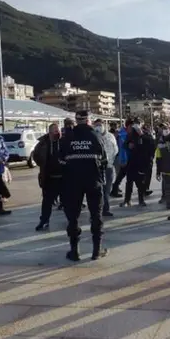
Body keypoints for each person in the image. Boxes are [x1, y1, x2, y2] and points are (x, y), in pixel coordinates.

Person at [59, 110, 109, 261]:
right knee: (96, 215)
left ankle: (74, 251)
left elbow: (60, 161)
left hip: (72, 182)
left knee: (73, 217)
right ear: (88, 121)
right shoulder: (96, 136)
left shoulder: (67, 137)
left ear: (76, 120)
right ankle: (96, 251)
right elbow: (104, 160)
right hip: (93, 181)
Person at [33, 123, 63, 231]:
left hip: (63, 177)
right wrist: (43, 164)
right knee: (47, 201)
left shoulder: (64, 141)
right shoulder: (43, 143)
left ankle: (73, 221)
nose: (57, 132)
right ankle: (44, 221)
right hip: (49, 177)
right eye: (55, 130)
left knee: (69, 201)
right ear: (50, 132)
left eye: (58, 130)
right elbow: (35, 155)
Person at [121, 118, 152, 207]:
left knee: (140, 182)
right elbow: (124, 145)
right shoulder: (130, 134)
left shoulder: (145, 134)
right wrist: (128, 145)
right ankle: (127, 200)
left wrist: (141, 134)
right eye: (135, 123)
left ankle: (141, 200)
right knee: (129, 181)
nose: (136, 125)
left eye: (138, 123)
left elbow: (150, 144)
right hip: (131, 161)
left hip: (141, 162)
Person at [94, 118, 118, 217]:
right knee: (99, 189)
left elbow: (115, 149)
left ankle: (106, 209)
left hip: (109, 166)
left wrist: (110, 160)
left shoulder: (110, 136)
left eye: (100, 125)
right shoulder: (93, 137)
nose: (98, 127)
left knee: (107, 189)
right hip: (97, 167)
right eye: (96, 125)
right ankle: (98, 209)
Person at [110, 119, 130, 197]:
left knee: (119, 173)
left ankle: (116, 187)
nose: (116, 127)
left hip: (118, 155)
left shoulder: (118, 133)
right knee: (118, 173)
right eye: (114, 126)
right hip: (115, 156)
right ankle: (115, 188)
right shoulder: (111, 133)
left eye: (116, 126)